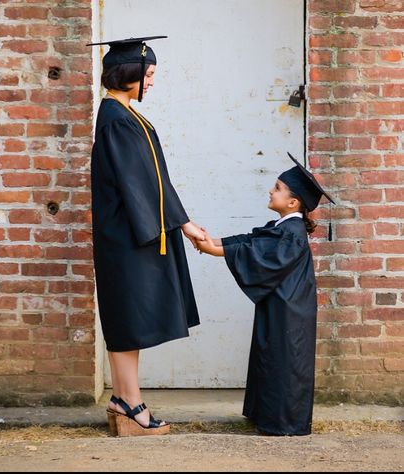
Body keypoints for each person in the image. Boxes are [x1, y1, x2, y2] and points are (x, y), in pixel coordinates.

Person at [87, 36, 205, 437]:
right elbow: (143, 181)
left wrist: (179, 221)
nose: (152, 82)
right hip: (128, 233)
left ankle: (123, 398)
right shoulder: (117, 117)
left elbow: (151, 179)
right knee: (127, 319)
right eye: (149, 74)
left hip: (128, 229)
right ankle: (131, 404)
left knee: (128, 318)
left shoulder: (122, 113)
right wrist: (184, 224)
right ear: (130, 73)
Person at [195, 153, 334, 436]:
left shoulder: (292, 232)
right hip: (280, 305)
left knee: (285, 361)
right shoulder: (282, 227)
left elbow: (260, 256)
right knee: (270, 356)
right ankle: (266, 416)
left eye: (278, 187)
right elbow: (251, 240)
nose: (271, 191)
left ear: (293, 202)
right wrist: (213, 242)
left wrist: (214, 251)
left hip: (291, 311)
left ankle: (285, 423)